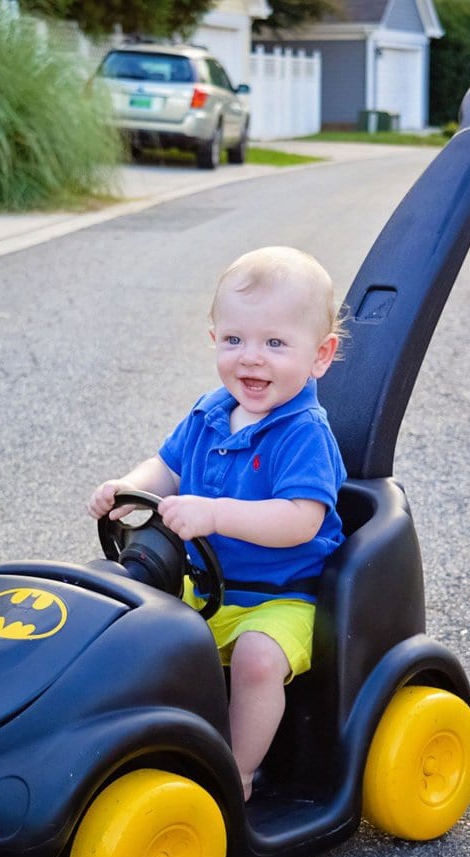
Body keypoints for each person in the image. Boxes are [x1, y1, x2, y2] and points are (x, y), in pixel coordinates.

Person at [88, 246, 346, 801]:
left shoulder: (303, 433)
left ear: (320, 356)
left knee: (255, 658)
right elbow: (166, 468)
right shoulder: (209, 412)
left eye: (275, 343)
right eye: (235, 340)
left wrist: (213, 513)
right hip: (203, 586)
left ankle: (238, 773)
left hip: (283, 599)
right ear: (214, 341)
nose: (251, 358)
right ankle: (129, 744)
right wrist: (127, 490)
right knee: (126, 621)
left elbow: (300, 521)